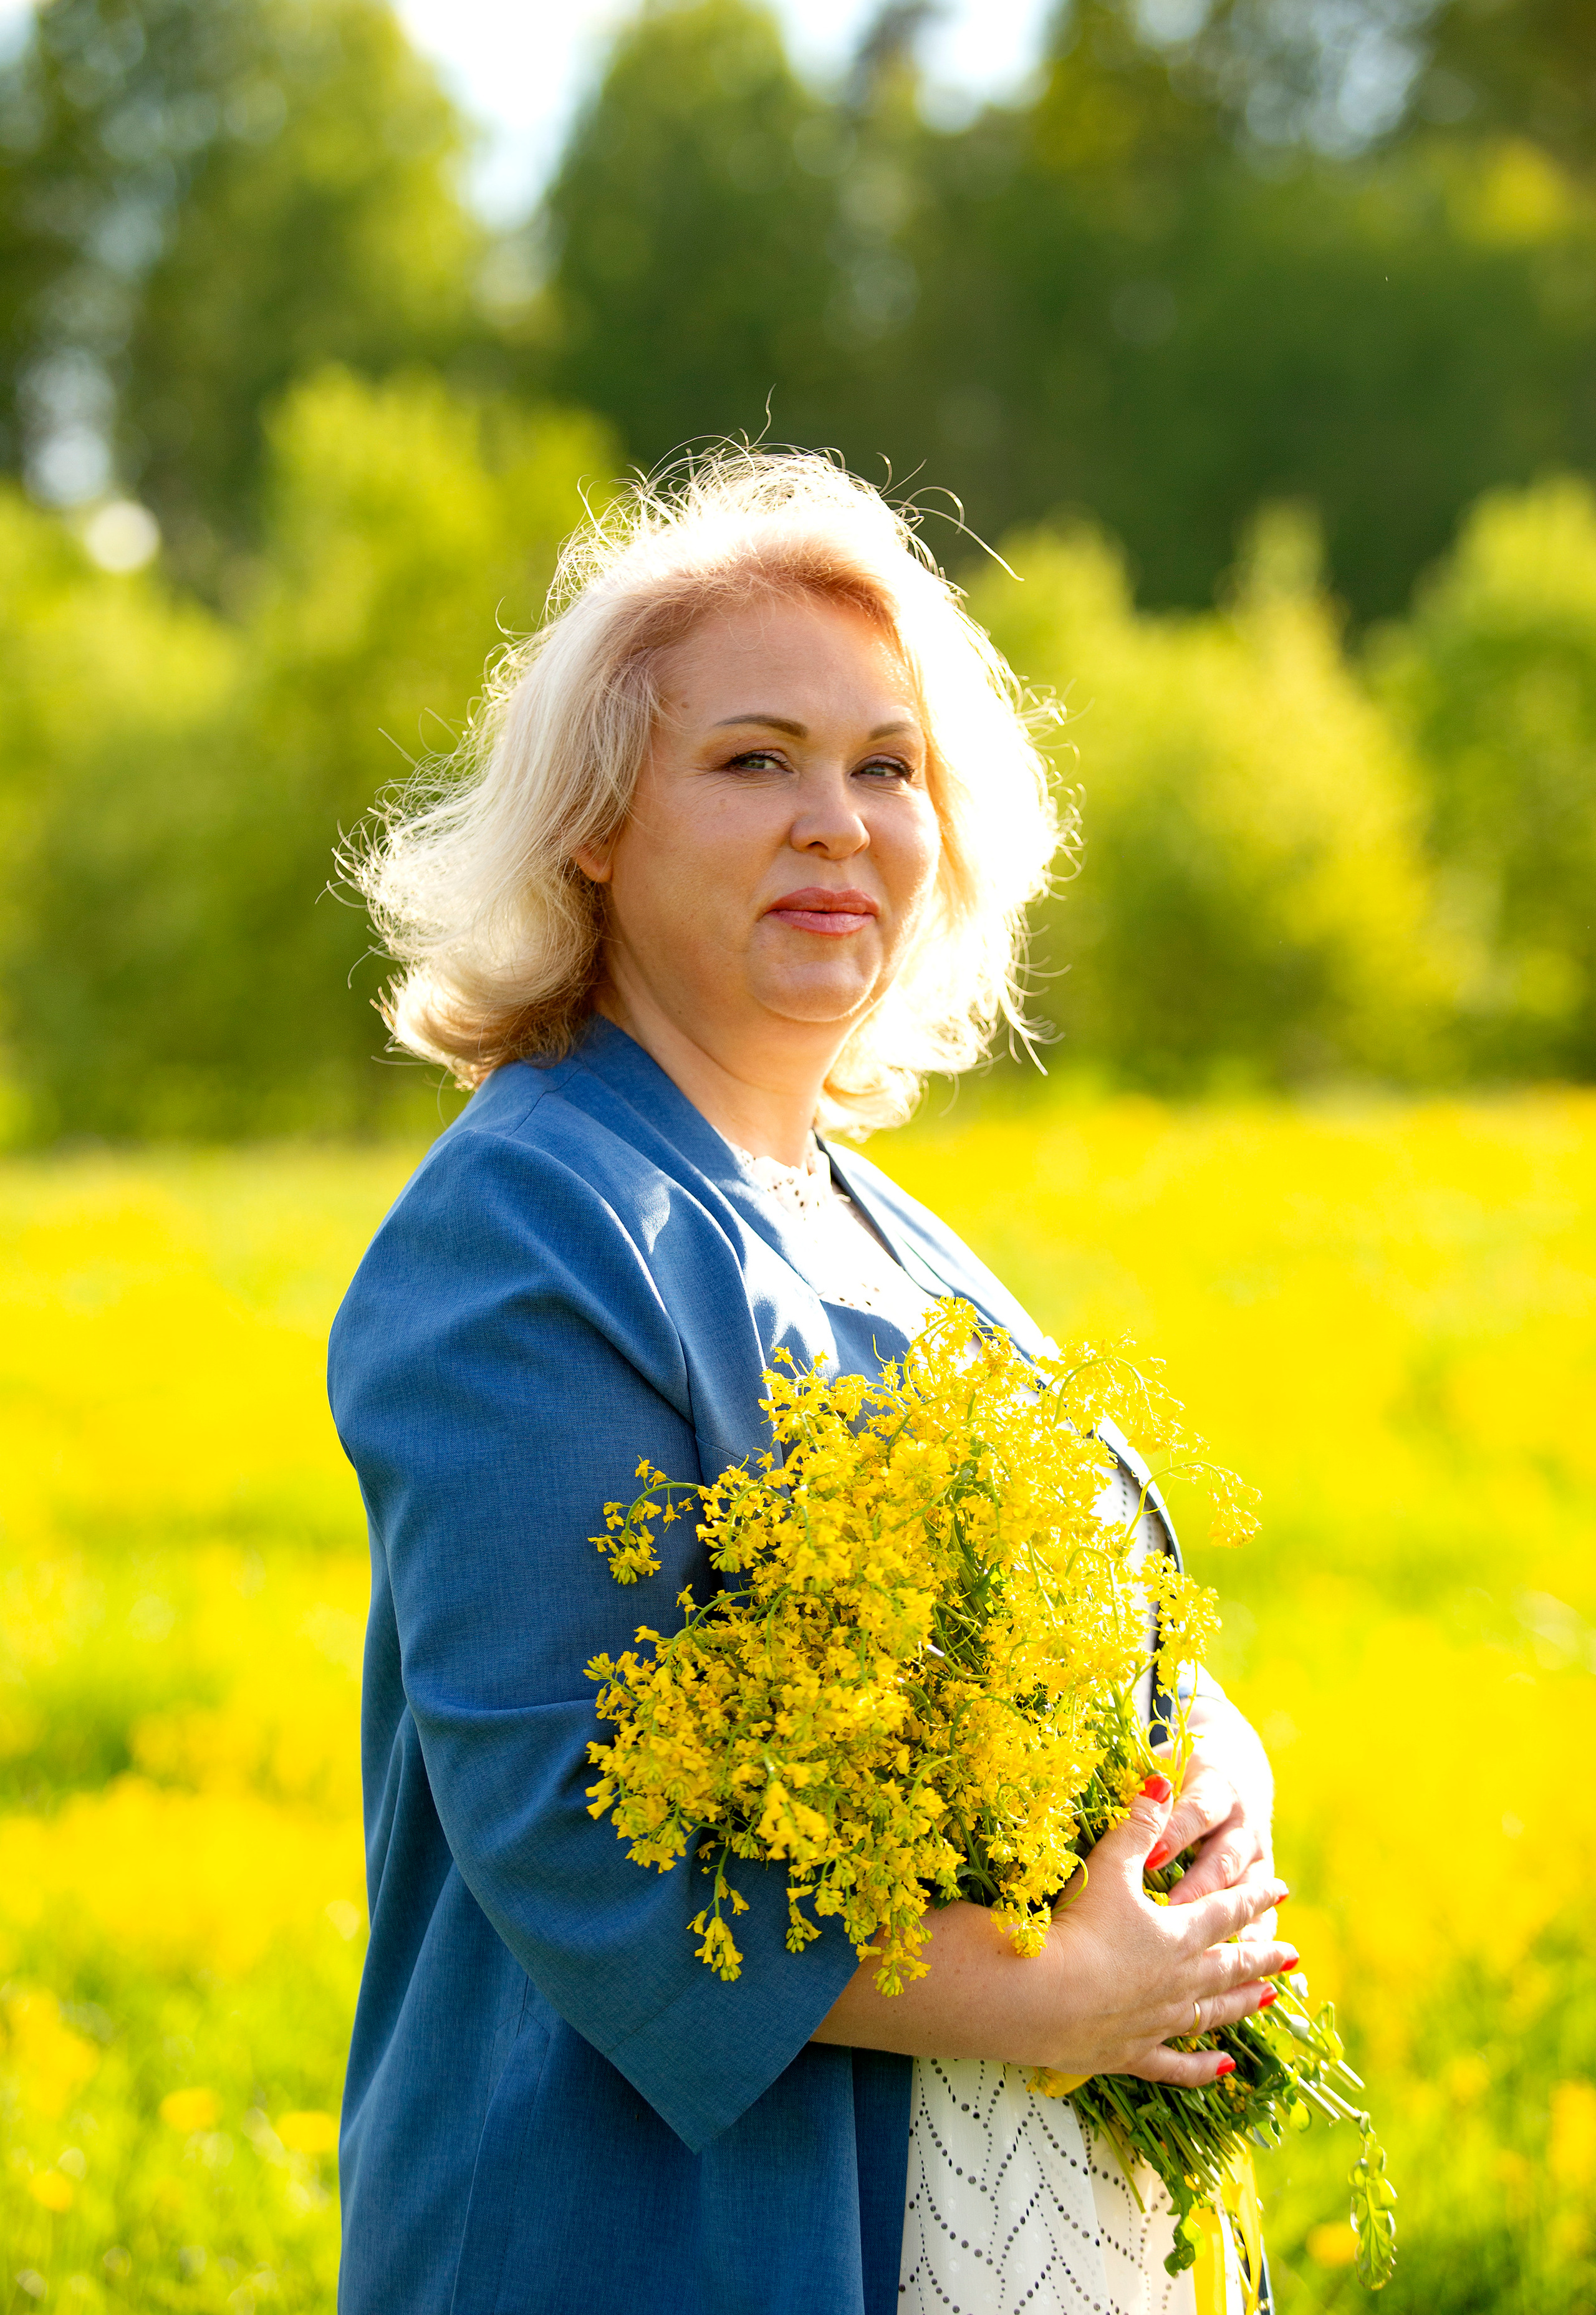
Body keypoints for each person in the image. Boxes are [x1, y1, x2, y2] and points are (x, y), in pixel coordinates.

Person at [329, 450, 1292, 2315]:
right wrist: (1063, 1994)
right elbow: (578, 1839)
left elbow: (1093, 1623)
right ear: (597, 824)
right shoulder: (525, 1231)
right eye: (754, 759)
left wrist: (1207, 1782)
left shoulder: (895, 1228)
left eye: (887, 765)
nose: (835, 822)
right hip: (653, 2237)